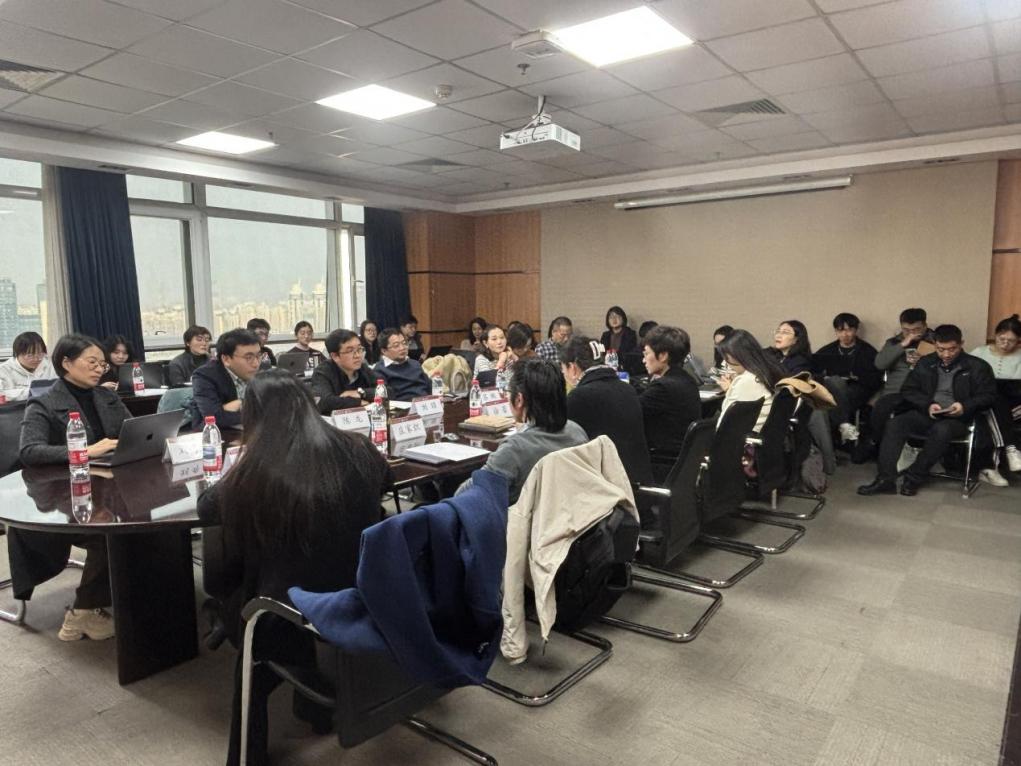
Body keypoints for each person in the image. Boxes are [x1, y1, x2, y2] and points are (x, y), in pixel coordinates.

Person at [197, 370, 389, 765]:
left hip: (285, 607)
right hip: (358, 585)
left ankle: (248, 752)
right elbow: (385, 481)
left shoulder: (249, 477)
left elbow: (208, 515)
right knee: (291, 564)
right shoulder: (359, 447)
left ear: (253, 418)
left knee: (241, 588)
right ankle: (312, 706)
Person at [18, 333, 131, 641]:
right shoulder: (44, 402)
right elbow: (29, 451)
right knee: (111, 531)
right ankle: (82, 614)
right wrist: (85, 451)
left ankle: (137, 591)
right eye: (91, 362)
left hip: (108, 487)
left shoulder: (107, 396)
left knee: (146, 514)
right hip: (62, 498)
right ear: (66, 363)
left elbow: (131, 430)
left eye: (102, 364)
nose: (99, 369)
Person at [858, 324, 996, 496]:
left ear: (961, 344)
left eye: (952, 349)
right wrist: (927, 404)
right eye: (940, 349)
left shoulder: (977, 366)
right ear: (934, 345)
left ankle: (914, 476)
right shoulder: (926, 362)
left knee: (942, 429)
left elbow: (989, 396)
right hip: (928, 412)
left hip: (958, 419)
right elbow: (909, 390)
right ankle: (885, 479)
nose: (946, 354)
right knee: (896, 423)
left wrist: (965, 406)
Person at [457, 359, 587, 504]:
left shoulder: (514, 449)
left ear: (519, 399)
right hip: (569, 513)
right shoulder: (577, 432)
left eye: (508, 392)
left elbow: (465, 495)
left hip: (520, 516)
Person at [561, 337, 652, 486]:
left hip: (607, 486)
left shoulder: (579, 397)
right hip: (638, 479)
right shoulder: (628, 389)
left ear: (572, 368)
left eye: (563, 369)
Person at [853, 308, 936, 463]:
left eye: (916, 330)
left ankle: (892, 447)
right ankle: (874, 442)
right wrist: (902, 345)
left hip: (923, 392)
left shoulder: (937, 341)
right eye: (906, 330)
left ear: (925, 326)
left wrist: (925, 362)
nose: (911, 333)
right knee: (881, 405)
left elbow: (950, 365)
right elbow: (879, 364)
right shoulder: (894, 342)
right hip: (896, 392)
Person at [812, 313, 882, 443]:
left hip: (857, 390)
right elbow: (813, 370)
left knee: (828, 399)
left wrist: (856, 377)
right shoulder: (828, 350)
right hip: (832, 390)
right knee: (833, 383)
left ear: (856, 330)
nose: (845, 334)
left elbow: (876, 378)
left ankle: (834, 435)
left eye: (849, 330)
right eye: (840, 330)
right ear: (836, 331)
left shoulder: (867, 351)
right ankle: (843, 424)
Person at [969, 313, 1021, 473]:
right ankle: (1011, 449)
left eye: (1011, 341)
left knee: (998, 402)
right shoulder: (979, 353)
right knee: (994, 396)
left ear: (1018, 341)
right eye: (1001, 339)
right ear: (995, 335)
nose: (1005, 344)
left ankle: (993, 467)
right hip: (984, 402)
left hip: (1015, 406)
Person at [638, 326, 702, 454]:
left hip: (663, 455)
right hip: (687, 455)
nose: (643, 360)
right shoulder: (687, 378)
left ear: (663, 356)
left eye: (646, 354)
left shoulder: (662, 387)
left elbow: (631, 411)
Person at [716, 329, 784, 434]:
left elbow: (724, 422)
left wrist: (732, 387)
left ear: (738, 356)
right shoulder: (766, 370)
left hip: (741, 439)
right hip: (762, 435)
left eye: (726, 358)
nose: (724, 363)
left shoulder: (747, 380)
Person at [191, 329, 262, 429]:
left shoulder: (263, 369)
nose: (256, 364)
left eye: (258, 356)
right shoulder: (205, 376)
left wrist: (235, 408)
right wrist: (251, 409)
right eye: (248, 357)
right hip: (218, 434)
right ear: (226, 359)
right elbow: (214, 418)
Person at [310, 329, 377, 414]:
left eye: (359, 349)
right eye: (350, 351)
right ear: (335, 356)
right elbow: (323, 401)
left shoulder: (363, 368)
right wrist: (358, 402)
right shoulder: (322, 371)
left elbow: (386, 390)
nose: (358, 355)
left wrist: (361, 393)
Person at [374, 327, 430, 400]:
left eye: (404, 343)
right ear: (384, 351)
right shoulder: (380, 370)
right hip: (402, 405)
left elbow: (429, 386)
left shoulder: (415, 364)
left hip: (425, 402)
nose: (402, 348)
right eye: (396, 345)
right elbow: (385, 398)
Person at [0, 331, 56, 401]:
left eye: (40, 354)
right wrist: (32, 391)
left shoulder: (49, 365)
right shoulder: (4, 370)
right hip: (18, 407)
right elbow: (2, 394)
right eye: (30, 355)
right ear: (17, 354)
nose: (36, 359)